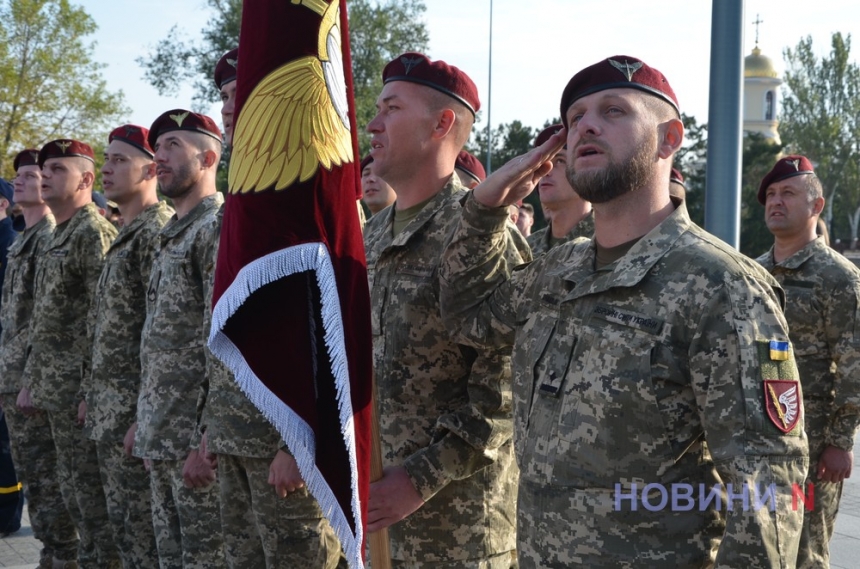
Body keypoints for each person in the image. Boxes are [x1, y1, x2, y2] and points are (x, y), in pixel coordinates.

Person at [440, 55, 808, 567]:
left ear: (669, 139)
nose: (586, 125)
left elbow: (769, 485)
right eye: (575, 120)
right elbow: (466, 314)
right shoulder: (559, 269)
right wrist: (485, 205)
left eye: (614, 111)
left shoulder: (721, 285)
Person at [363, 52, 523, 567]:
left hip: (458, 533)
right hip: (372, 522)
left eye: (391, 108)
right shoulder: (368, 236)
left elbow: (511, 381)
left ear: (442, 123)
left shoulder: (481, 233)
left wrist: (420, 477)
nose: (373, 123)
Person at [204, 52, 345, 568]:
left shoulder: (315, 193)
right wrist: (212, 426)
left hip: (284, 445)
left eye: (244, 91)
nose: (229, 106)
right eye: (223, 96)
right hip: (234, 436)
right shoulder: (239, 201)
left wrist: (301, 443)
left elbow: (331, 328)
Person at [755, 155, 860, 569]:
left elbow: (854, 364)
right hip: (756, 442)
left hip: (811, 447)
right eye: (772, 195)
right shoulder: (754, 272)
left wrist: (839, 440)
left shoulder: (838, 278)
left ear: (816, 207)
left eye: (789, 193)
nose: (776, 202)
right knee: (757, 546)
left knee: (805, 552)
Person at [133, 110, 226, 568]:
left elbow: (221, 343)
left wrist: (202, 439)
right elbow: (159, 344)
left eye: (172, 146)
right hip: (163, 436)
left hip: (194, 447)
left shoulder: (216, 229)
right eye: (157, 147)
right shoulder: (172, 235)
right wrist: (148, 427)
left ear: (208, 158)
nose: (159, 157)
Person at [23, 139, 120, 567]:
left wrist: (87, 391)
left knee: (95, 513)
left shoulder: (91, 232)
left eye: (57, 169)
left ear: (86, 179)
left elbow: (105, 320)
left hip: (79, 398)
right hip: (54, 395)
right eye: (44, 169)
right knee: (73, 502)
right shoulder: (57, 234)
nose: (45, 175)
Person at [80, 125, 173, 568]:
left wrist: (142, 415)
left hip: (137, 419)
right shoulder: (126, 232)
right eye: (106, 159)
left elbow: (163, 333)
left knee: (144, 545)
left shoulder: (157, 231)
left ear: (151, 169)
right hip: (111, 412)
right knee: (119, 535)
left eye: (119, 159)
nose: (107, 169)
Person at [0, 149, 78, 569]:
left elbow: (51, 323)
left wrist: (29, 378)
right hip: (16, 382)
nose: (25, 181)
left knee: (54, 491)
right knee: (39, 487)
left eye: (33, 174)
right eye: (23, 175)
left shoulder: (50, 238)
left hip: (44, 387)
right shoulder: (23, 242)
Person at [526, 124, 593, 256]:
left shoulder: (608, 243)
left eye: (560, 161)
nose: (545, 171)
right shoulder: (525, 248)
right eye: (542, 162)